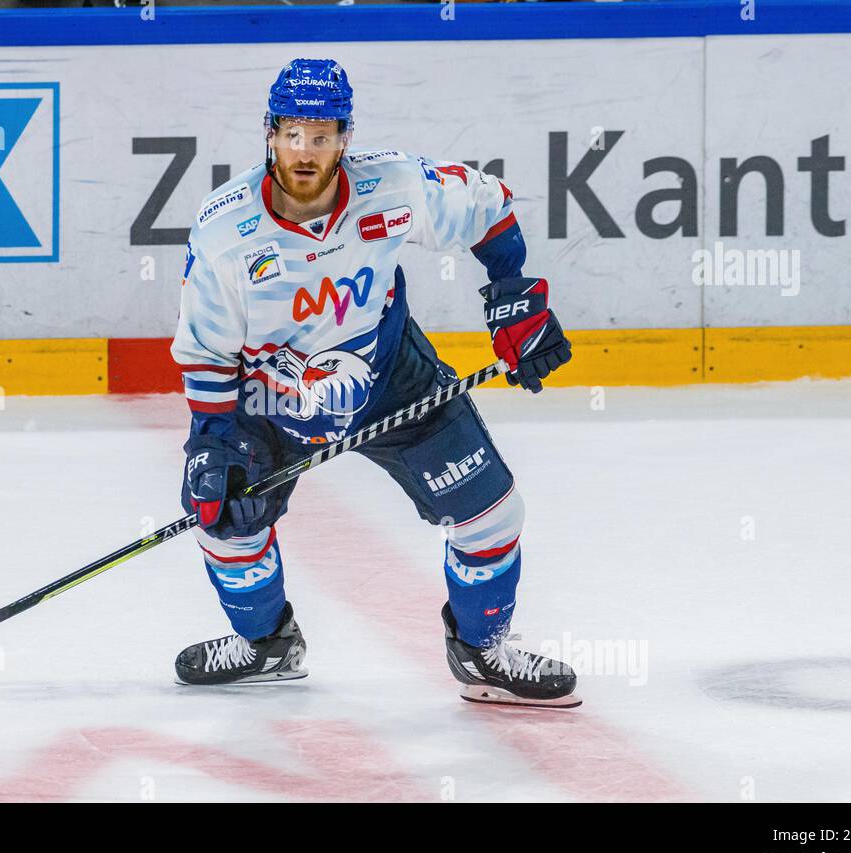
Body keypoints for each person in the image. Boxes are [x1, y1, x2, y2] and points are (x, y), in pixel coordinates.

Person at [169, 59, 578, 707]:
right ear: (270, 134)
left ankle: (482, 650)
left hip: (393, 378)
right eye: (294, 134)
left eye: (323, 135)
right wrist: (212, 444)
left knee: (494, 515)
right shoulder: (226, 232)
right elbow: (207, 351)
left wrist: (514, 299)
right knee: (225, 522)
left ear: (345, 138)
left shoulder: (392, 186)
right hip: (270, 396)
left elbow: (488, 206)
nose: (307, 152)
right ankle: (267, 643)